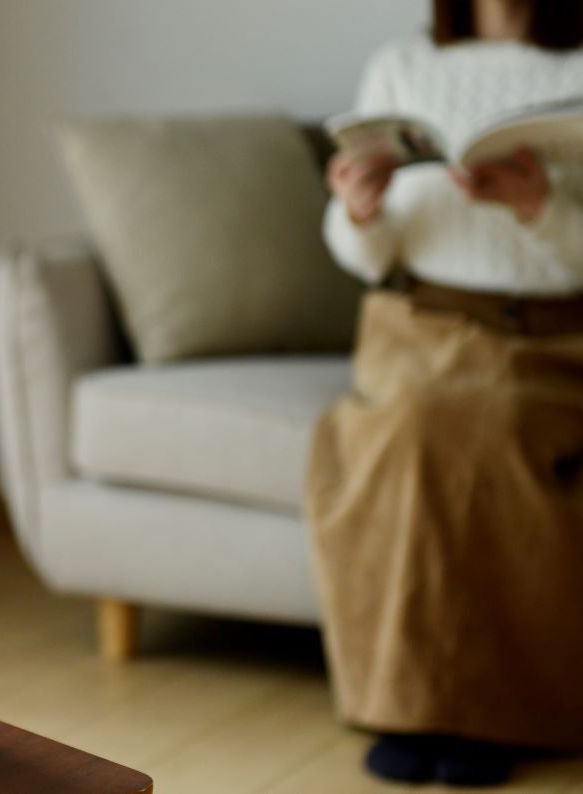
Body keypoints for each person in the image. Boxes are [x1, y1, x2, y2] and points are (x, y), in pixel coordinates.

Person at [309, 0, 583, 786]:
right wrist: (358, 212)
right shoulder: (402, 67)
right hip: (418, 326)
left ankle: (480, 716)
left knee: (485, 423)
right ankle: (409, 707)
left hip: (548, 342)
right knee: (409, 425)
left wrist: (539, 207)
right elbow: (366, 253)